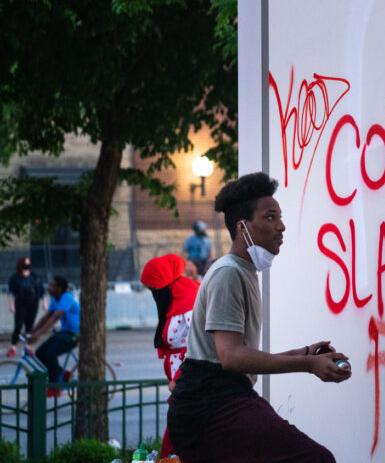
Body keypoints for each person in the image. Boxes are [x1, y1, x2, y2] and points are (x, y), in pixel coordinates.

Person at [167, 172, 350, 463]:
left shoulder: (243, 271)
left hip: (225, 396)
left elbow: (238, 355)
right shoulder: (228, 273)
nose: (281, 226)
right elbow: (232, 358)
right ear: (243, 228)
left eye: (280, 217)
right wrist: (307, 365)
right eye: (270, 218)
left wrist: (305, 353)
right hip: (207, 408)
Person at [140, 253, 199, 458]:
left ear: (162, 284)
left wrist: (178, 378)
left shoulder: (189, 298)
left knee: (179, 431)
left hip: (189, 380)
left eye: (153, 289)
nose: (153, 294)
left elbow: (198, 345)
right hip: (181, 381)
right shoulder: (173, 297)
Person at [25, 276, 80, 396]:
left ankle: (55, 387)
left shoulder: (67, 298)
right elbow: (46, 317)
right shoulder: (55, 299)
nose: (48, 288)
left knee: (51, 353)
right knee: (40, 353)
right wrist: (31, 332)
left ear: (59, 289)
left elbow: (55, 318)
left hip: (75, 334)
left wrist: (38, 334)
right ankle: (63, 374)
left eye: (51, 286)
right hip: (65, 332)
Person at [6, 257, 45, 357]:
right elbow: (10, 293)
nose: (28, 265)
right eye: (26, 263)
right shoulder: (15, 278)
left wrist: (44, 303)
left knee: (30, 326)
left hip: (33, 303)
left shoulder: (34, 276)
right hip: (20, 304)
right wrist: (11, 305)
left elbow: (41, 290)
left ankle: (27, 347)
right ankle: (13, 346)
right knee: (18, 325)